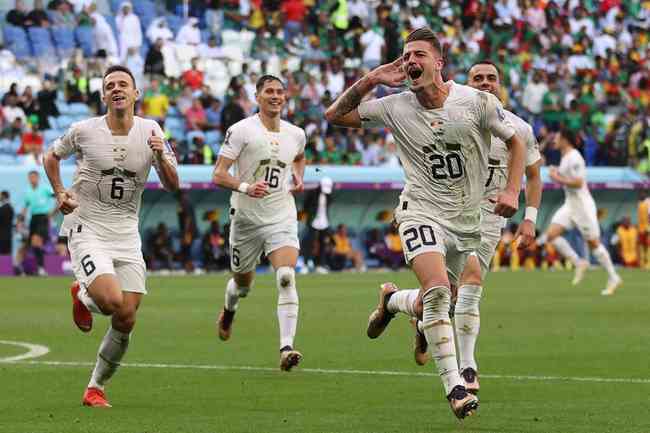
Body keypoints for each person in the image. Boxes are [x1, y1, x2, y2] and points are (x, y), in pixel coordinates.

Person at [325, 27, 526, 419]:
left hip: (466, 221)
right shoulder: (394, 105)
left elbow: (516, 141)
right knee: (437, 293)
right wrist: (370, 80)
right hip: (419, 210)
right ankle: (456, 388)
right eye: (406, 56)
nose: (411, 61)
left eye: (419, 54)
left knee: (436, 299)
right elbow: (334, 116)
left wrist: (512, 192)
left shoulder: (476, 102)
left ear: (439, 63)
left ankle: (391, 301)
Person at [367, 61, 544, 395]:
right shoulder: (455, 118)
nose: (485, 83)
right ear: (467, 82)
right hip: (448, 212)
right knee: (464, 285)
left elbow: (534, 175)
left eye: (492, 78)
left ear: (500, 84)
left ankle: (394, 302)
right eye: (478, 78)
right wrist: (412, 207)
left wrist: (530, 216)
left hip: (490, 219)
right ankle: (467, 368)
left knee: (445, 296)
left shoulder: (518, 129)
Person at [43, 65, 179, 407]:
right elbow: (50, 156)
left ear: (136, 94)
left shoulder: (152, 131)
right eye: (110, 86)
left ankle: (95, 387)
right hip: (87, 225)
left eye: (123, 84)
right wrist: (61, 192)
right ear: (103, 96)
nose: (117, 89)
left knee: (127, 316)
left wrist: (161, 154)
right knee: (112, 301)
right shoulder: (84, 130)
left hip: (126, 234)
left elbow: (173, 184)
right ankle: (86, 294)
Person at [213, 75, 306, 372]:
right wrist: (245, 187)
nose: (275, 96)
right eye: (269, 91)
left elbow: (300, 157)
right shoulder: (240, 131)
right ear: (258, 96)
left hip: (281, 214)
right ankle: (229, 309)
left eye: (280, 91)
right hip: (246, 219)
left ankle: (286, 347)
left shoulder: (296, 134)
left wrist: (298, 176)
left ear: (285, 97)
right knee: (243, 285)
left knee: (286, 276)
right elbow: (219, 174)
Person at [537, 129, 622, 295]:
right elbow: (565, 178)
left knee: (594, 244)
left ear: (566, 140)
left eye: (558, 137)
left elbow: (578, 182)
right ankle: (579, 262)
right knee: (551, 235)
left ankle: (613, 276)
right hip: (570, 204)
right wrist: (554, 171)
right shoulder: (565, 157)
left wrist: (557, 178)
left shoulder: (575, 157)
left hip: (582, 206)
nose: (555, 140)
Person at [21, 170, 56, 276]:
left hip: (43, 217)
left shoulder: (45, 189)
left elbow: (58, 197)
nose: (32, 179)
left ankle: (41, 268)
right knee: (32, 244)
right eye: (30, 177)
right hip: (33, 218)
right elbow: (25, 206)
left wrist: (53, 211)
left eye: (34, 177)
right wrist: (20, 219)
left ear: (38, 178)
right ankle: (38, 268)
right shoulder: (28, 192)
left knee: (36, 241)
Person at [0, 191, 14, 255]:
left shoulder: (3, 209)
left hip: (2, 236)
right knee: (7, 255)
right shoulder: (11, 208)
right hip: (8, 235)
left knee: (3, 254)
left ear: (3, 196)